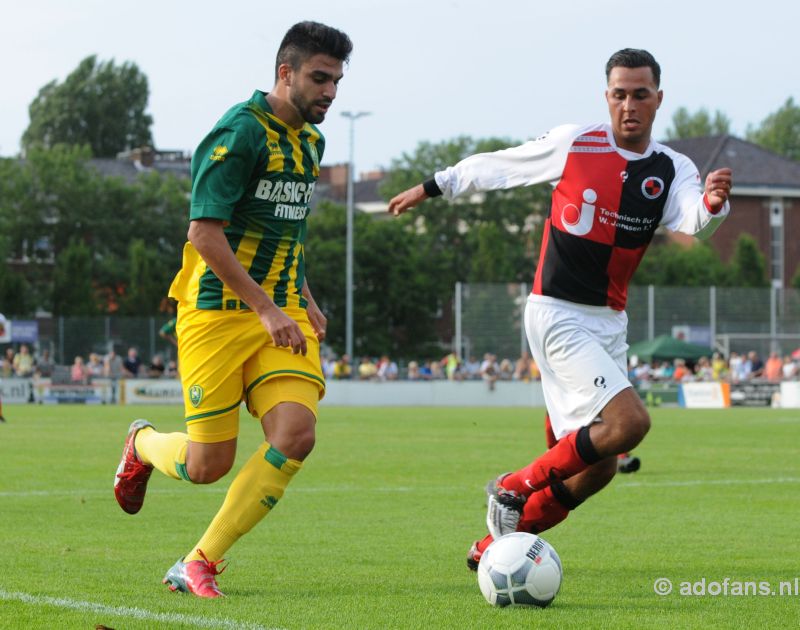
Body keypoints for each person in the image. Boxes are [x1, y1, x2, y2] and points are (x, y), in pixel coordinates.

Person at [388, 48, 732, 570]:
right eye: (619, 94)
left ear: (658, 99)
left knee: (597, 469)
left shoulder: (672, 167)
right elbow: (500, 166)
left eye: (641, 94)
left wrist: (712, 203)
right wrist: (434, 186)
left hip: (609, 324)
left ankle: (494, 548)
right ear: (607, 96)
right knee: (631, 422)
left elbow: (691, 218)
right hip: (557, 313)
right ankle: (511, 487)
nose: (629, 104)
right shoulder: (577, 143)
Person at [113, 21, 352, 598]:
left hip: (281, 309)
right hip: (218, 312)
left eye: (338, 82)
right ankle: (142, 444)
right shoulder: (240, 132)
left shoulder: (311, 142)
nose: (330, 93)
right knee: (206, 465)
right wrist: (268, 308)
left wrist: (304, 301)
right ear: (285, 73)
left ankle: (199, 560)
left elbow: (285, 231)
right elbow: (204, 233)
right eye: (320, 79)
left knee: (296, 433)